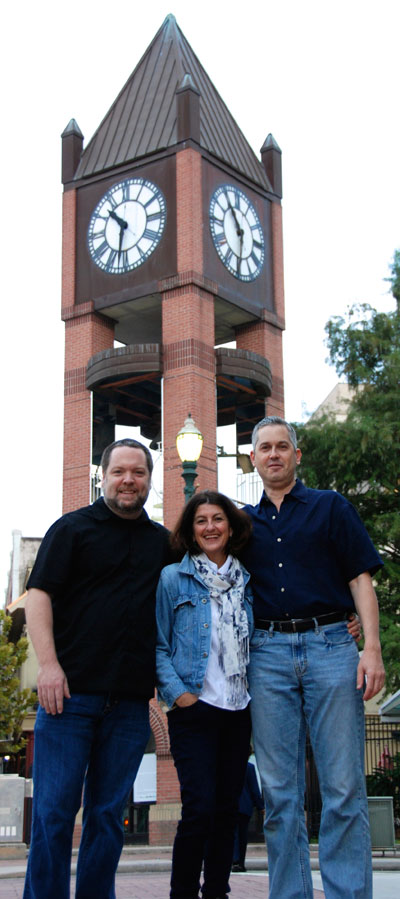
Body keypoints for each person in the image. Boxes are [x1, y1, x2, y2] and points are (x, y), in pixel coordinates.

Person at [241, 416, 385, 899]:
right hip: (266, 655)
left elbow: (361, 577)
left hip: (331, 648)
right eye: (265, 448)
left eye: (283, 446)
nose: (275, 454)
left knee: (343, 789)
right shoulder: (243, 523)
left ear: (297, 456)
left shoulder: (331, 507)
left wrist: (371, 647)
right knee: (280, 796)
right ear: (254, 458)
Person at [23, 438, 172, 899]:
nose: (129, 480)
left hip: (129, 705)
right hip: (68, 698)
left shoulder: (163, 544)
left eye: (139, 473)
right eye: (119, 472)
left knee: (107, 816)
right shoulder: (71, 530)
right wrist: (48, 666)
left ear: (149, 479)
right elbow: (39, 596)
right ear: (102, 477)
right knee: (53, 813)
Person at [156, 490, 253, 899]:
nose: (210, 527)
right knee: (199, 810)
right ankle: (182, 893)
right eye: (201, 521)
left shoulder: (247, 578)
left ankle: (217, 891)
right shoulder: (172, 578)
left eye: (217, 519)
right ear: (191, 531)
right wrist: (179, 696)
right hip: (194, 708)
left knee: (227, 810)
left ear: (230, 527)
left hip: (238, 707)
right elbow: (157, 645)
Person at [232, 753, 264, 872]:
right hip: (244, 806)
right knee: (242, 836)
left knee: (232, 834)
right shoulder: (249, 767)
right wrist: (260, 805)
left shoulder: (227, 766)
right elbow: (254, 788)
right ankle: (240, 862)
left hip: (230, 805)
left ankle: (234, 860)